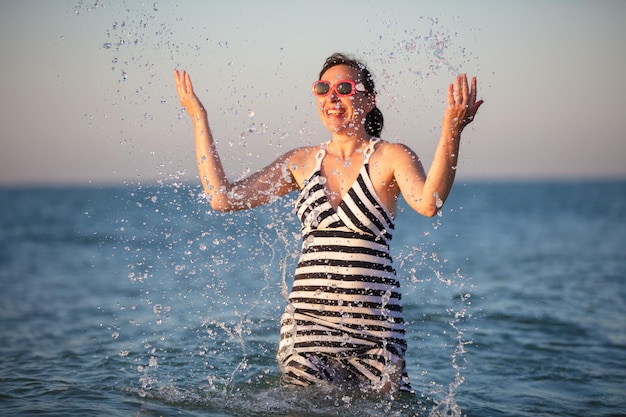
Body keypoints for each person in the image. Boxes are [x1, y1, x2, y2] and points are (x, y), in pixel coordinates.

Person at [174, 52, 482, 395]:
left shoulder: (391, 156)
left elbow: (428, 203)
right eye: (323, 88)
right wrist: (197, 117)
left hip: (375, 335)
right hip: (308, 332)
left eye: (345, 88)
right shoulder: (301, 161)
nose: (332, 98)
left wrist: (451, 131)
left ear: (368, 100)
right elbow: (223, 198)